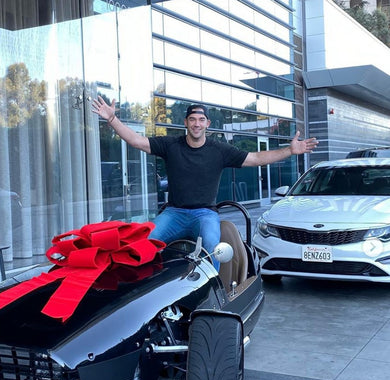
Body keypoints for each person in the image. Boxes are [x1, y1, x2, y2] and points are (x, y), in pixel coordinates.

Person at [92, 97, 318, 268]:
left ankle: (211, 294)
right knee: (145, 243)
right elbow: (136, 141)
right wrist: (112, 119)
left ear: (207, 123)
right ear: (186, 122)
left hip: (205, 213)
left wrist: (290, 150)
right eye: (192, 119)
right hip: (174, 213)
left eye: (201, 119)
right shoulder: (171, 145)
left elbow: (256, 158)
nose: (197, 124)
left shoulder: (220, 150)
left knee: (212, 247)